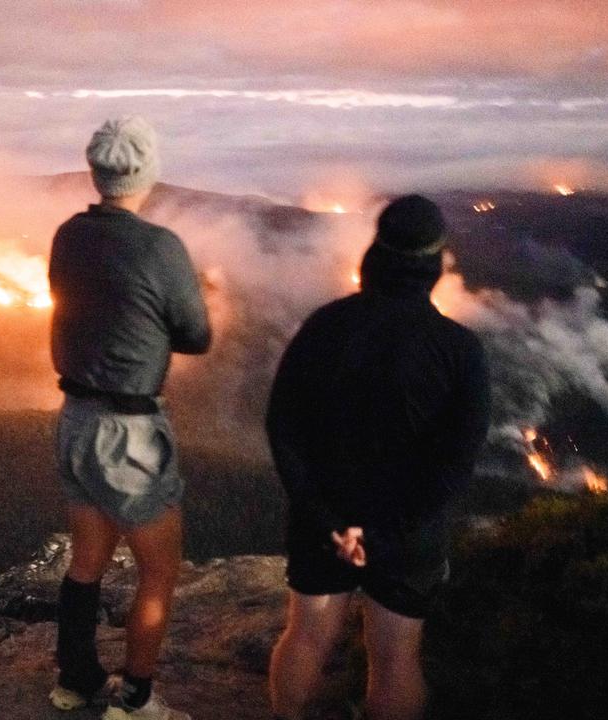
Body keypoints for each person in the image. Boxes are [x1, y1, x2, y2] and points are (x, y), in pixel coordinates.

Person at [265, 195, 491, 720]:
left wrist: (329, 522)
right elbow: (456, 464)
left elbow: (284, 428)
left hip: (324, 523)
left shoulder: (324, 326)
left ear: (376, 253)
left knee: (305, 637)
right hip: (408, 536)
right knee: (394, 662)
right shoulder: (459, 350)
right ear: (434, 263)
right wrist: (387, 534)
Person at [47, 116, 211, 720]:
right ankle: (136, 702)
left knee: (86, 561)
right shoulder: (161, 247)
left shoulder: (68, 235)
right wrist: (194, 292)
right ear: (148, 172)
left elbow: (94, 302)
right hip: (129, 432)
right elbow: (196, 336)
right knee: (160, 571)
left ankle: (76, 683)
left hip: (74, 420)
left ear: (97, 171)